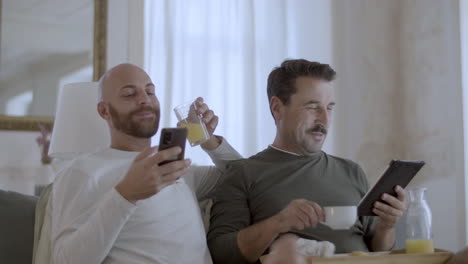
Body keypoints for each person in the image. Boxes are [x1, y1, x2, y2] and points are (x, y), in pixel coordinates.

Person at [207, 59, 406, 264]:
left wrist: (387, 226)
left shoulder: (351, 171)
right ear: (277, 108)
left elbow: (379, 249)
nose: (324, 120)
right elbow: (221, 254)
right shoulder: (243, 173)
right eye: (312, 107)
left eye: (329, 108)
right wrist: (278, 223)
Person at [50, 63, 241, 263]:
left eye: (150, 92)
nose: (144, 99)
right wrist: (125, 195)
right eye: (129, 94)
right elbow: (64, 260)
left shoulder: (178, 169)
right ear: (104, 111)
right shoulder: (82, 171)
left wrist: (208, 140)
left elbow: (246, 178)